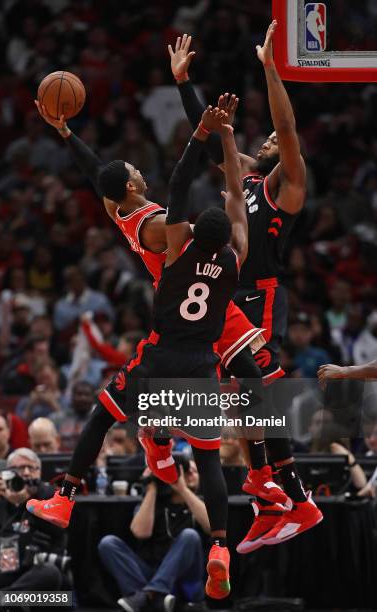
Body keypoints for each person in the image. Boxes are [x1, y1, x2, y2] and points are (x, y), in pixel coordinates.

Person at [28, 104, 249, 600]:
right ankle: (219, 547)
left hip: (160, 351)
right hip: (197, 359)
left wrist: (66, 132)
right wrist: (214, 139)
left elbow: (101, 175)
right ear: (130, 188)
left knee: (103, 417)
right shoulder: (213, 249)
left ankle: (65, 498)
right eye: (132, 172)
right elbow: (220, 194)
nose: (138, 171)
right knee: (210, 458)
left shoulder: (130, 219)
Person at [170, 24, 322, 552]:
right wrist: (184, 83)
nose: (272, 138)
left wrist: (270, 68)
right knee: (241, 399)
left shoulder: (285, 187)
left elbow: (288, 123)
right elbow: (207, 131)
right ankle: (270, 495)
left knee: (257, 390)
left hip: (259, 292)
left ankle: (288, 496)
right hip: (226, 296)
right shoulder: (241, 179)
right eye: (269, 138)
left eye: (280, 141)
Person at [98, 462, 207, 612]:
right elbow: (140, 532)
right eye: (184, 471)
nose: (188, 475)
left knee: (190, 535)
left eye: (193, 471)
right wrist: (152, 488)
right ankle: (153, 598)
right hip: (152, 573)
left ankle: (148, 595)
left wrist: (182, 489)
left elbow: (211, 526)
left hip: (185, 580)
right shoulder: (154, 502)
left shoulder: (201, 503)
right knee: (108, 543)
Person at [0, 448, 67, 591]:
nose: (27, 472)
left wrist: (24, 503)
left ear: (40, 472)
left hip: (34, 577)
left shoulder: (48, 495)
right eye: (20, 468)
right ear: (6, 473)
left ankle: (4, 602)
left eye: (32, 468)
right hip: (2, 574)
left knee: (51, 573)